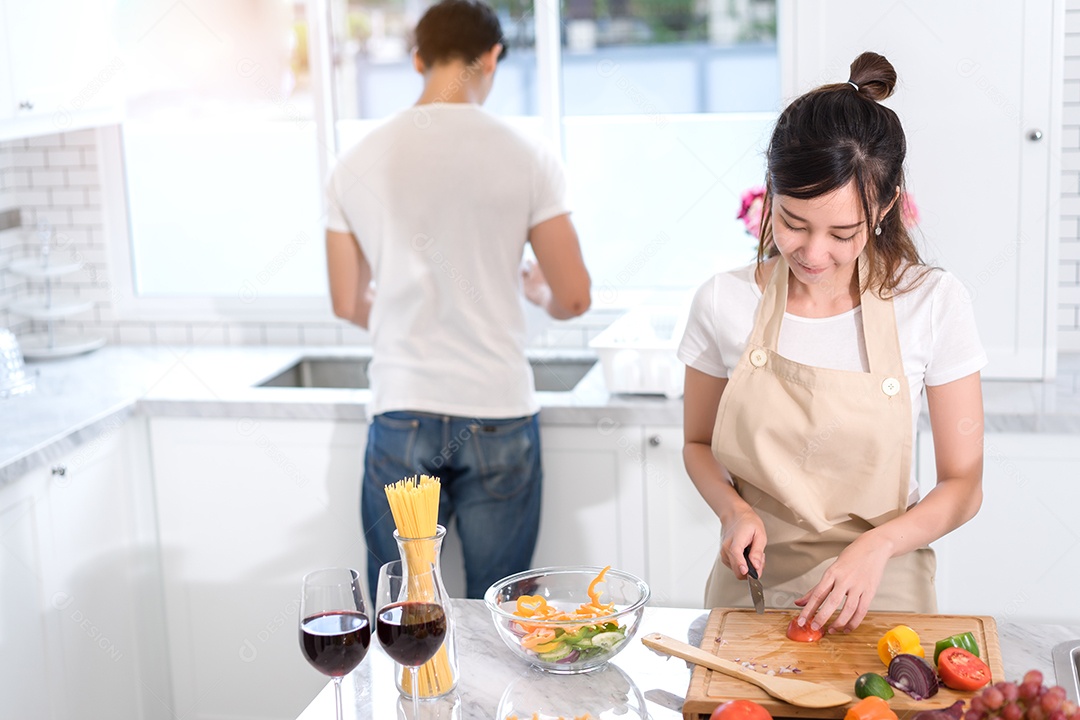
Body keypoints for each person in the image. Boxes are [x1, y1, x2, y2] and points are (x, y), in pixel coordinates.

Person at [677, 51, 986, 632]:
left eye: (843, 233)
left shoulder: (934, 303)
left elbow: (963, 485)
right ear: (769, 193)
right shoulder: (723, 302)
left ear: (886, 207)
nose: (813, 254)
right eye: (793, 222)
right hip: (754, 583)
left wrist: (877, 548)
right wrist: (732, 509)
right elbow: (697, 443)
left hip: (885, 577)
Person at [324, 0, 591, 601]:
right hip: (497, 410)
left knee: (404, 609)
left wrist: (401, 314)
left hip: (401, 411)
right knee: (502, 613)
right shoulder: (528, 156)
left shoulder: (354, 161)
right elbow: (573, 297)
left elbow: (346, 301)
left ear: (418, 59)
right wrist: (538, 293)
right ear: (492, 56)